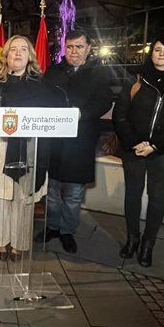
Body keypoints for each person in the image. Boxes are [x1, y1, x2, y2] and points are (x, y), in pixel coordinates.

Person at [0, 35, 62, 261]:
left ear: (30, 55)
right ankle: (0, 242)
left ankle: (19, 243)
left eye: (24, 49)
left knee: (23, 199)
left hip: (30, 149)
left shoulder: (41, 85)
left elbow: (51, 119)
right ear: (6, 55)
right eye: (14, 49)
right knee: (1, 198)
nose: (19, 53)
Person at [113, 33, 164, 267]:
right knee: (132, 195)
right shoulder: (136, 78)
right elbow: (120, 115)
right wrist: (133, 142)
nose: (161, 54)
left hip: (163, 151)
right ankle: (132, 239)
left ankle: (148, 244)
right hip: (133, 149)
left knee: (157, 197)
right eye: (157, 49)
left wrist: (155, 145)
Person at [36, 29, 112, 254]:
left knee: (74, 194)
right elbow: (42, 100)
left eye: (79, 46)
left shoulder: (98, 73)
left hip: (81, 141)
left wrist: (83, 114)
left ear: (88, 48)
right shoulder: (53, 72)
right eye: (69, 47)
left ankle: (67, 231)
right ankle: (52, 227)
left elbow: (104, 102)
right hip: (56, 142)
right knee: (52, 191)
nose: (74, 51)